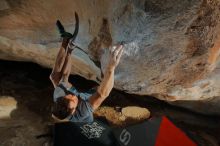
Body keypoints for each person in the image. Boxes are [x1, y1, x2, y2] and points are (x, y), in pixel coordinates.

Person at [49, 20, 124, 123]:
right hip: (87, 103)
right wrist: (111, 67)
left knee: (54, 77)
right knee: (100, 87)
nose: (73, 96)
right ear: (73, 111)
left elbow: (65, 76)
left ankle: (65, 39)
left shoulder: (59, 95)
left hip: (73, 101)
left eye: (68, 96)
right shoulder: (82, 112)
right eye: (73, 100)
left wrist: (70, 50)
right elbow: (102, 94)